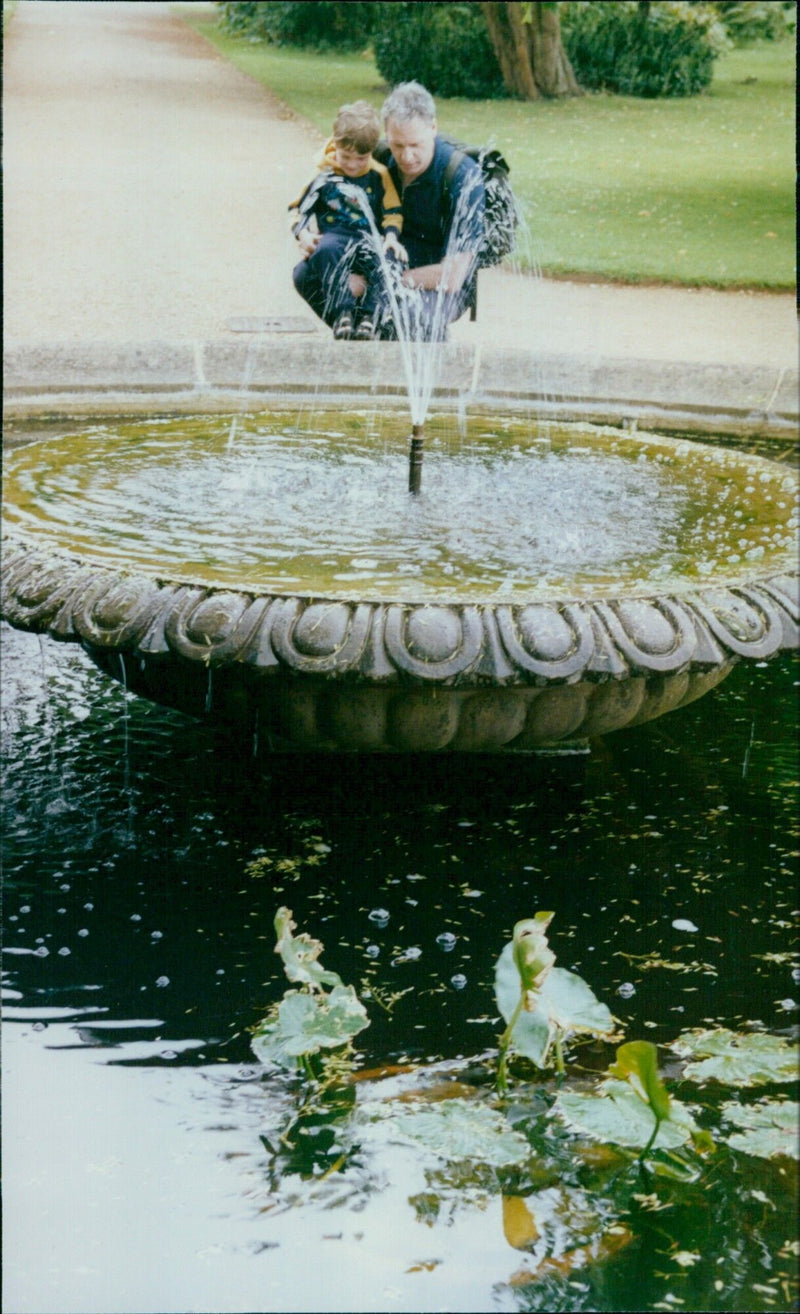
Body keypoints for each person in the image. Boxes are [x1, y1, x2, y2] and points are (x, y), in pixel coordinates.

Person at [375, 81, 485, 342]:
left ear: (433, 128)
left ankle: (435, 371)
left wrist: (393, 281)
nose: (407, 156)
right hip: (388, 271)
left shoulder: (463, 177)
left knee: (413, 317)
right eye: (398, 145)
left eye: (415, 144)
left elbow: (453, 276)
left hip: (440, 283)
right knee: (309, 275)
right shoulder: (379, 161)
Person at [289, 100, 407, 340]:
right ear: (335, 143)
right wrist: (303, 234)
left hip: (368, 238)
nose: (353, 165)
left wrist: (392, 237)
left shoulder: (378, 175)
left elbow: (392, 210)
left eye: (361, 158)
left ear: (371, 151)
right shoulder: (324, 175)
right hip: (336, 235)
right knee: (325, 249)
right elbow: (296, 208)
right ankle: (342, 312)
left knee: (390, 260)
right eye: (346, 157)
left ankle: (369, 317)